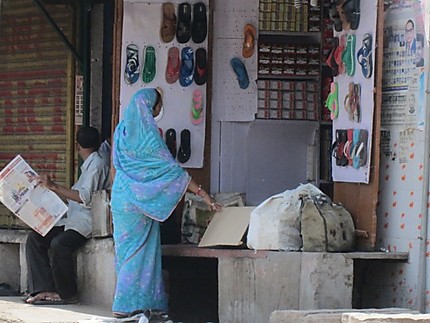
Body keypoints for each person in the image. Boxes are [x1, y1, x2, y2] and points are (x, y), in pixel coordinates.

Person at [110, 88, 222, 320]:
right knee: (143, 252)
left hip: (121, 197)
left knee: (127, 252)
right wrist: (204, 195)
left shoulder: (121, 131)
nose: (161, 109)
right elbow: (173, 173)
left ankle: (130, 303)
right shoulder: (149, 137)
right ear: (152, 107)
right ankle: (132, 304)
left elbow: (115, 169)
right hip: (140, 201)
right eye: (159, 105)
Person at [24, 126, 111, 305]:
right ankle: (44, 288)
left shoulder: (97, 165)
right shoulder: (92, 162)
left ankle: (67, 294)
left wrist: (54, 186)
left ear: (77, 145)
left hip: (85, 224)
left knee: (59, 244)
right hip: (72, 220)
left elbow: (83, 197)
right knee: (35, 238)